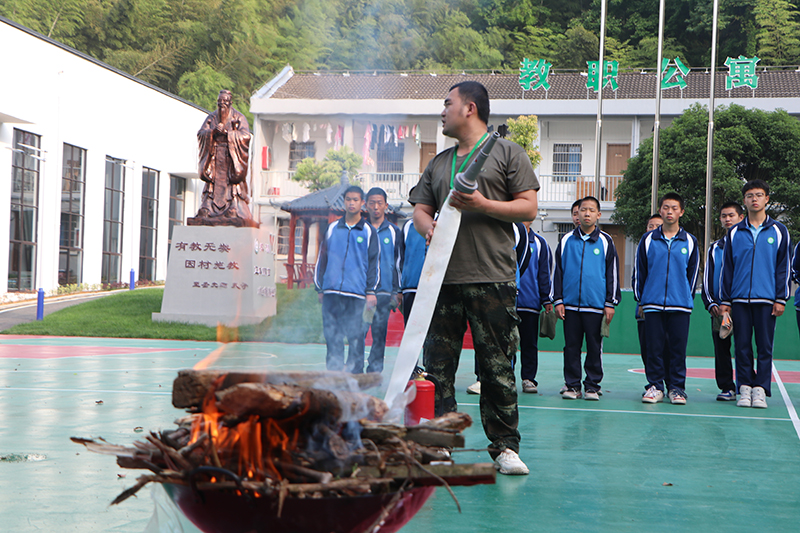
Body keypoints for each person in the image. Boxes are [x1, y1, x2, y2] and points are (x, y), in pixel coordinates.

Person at [409, 80, 538, 475]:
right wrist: (427, 226)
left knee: (497, 366)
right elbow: (420, 209)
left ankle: (505, 448)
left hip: (492, 277)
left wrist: (482, 204)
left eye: (447, 103)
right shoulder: (439, 163)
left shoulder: (508, 153)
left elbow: (528, 208)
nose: (442, 111)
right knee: (438, 367)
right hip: (442, 280)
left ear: (470, 108)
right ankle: (442, 443)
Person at [719, 180, 790, 409]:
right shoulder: (734, 232)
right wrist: (725, 300)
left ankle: (760, 389)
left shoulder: (779, 231)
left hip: (767, 300)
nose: (754, 199)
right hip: (739, 299)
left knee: (764, 347)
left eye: (759, 195)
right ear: (744, 200)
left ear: (767, 199)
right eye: (750, 195)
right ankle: (745, 387)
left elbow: (783, 267)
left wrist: (781, 298)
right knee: (741, 346)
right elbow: (727, 268)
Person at [633, 192, 699, 405]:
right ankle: (655, 386)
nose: (670, 212)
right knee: (654, 349)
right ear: (660, 211)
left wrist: (685, 297)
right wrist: (641, 299)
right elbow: (640, 271)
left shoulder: (690, 241)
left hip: (680, 305)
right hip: (652, 304)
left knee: (677, 350)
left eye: (674, 208)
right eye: (666, 208)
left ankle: (677, 388)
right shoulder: (648, 239)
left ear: (681, 212)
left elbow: (693, 274)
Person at [553, 196, 620, 401]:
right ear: (577, 214)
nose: (587, 214)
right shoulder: (566, 240)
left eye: (591, 210)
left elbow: (612, 273)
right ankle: (572, 385)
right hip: (570, 306)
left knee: (594, 347)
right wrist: (558, 300)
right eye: (583, 210)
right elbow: (558, 272)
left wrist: (610, 303)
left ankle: (592, 385)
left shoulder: (606, 241)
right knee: (571, 347)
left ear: (598, 215)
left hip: (596, 306)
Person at [314, 185, 379, 373]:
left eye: (355, 200)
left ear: (362, 203)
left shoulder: (369, 231)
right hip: (331, 292)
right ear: (344, 202)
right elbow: (322, 259)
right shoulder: (332, 228)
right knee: (332, 336)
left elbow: (374, 264)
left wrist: (370, 291)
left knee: (356, 337)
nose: (351, 203)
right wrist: (320, 287)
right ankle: (334, 376)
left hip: (357, 294)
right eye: (348, 199)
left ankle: (355, 376)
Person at [467, 222, 531, 395]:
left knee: (505, 335)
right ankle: (482, 378)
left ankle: (505, 378)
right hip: (479, 285)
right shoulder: (479, 221)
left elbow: (523, 257)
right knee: (481, 333)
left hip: (505, 288)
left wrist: (510, 279)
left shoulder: (517, 226)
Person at [701, 202, 745, 401]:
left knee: (743, 347)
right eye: (724, 216)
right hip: (720, 309)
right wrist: (711, 303)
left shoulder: (747, 245)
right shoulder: (714, 248)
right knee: (721, 349)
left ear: (741, 218)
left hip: (743, 305)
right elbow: (708, 278)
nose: (727, 219)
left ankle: (745, 386)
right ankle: (727, 387)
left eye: (731, 215)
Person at [195, 90, 255, 224]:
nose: (222, 104)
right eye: (219, 101)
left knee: (232, 186)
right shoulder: (211, 118)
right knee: (212, 185)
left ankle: (234, 206)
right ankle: (208, 206)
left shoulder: (239, 117)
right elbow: (201, 133)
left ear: (230, 103)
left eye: (225, 101)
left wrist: (229, 134)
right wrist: (212, 132)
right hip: (215, 156)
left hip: (231, 158)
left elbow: (246, 135)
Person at [362, 187, 403, 373]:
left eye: (379, 203)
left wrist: (397, 290)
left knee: (379, 335)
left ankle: (374, 372)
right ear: (366, 205)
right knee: (359, 333)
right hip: (363, 294)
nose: (376, 207)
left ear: (386, 206)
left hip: (385, 293)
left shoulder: (394, 232)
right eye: (372, 203)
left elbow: (398, 262)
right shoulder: (361, 230)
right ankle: (355, 370)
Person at [517, 225, 554, 394]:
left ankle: (529, 379)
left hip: (530, 303)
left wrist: (546, 298)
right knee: (505, 344)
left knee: (529, 344)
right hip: (506, 302)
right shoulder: (506, 236)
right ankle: (506, 379)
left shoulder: (540, 243)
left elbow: (544, 272)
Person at [636, 214, 663, 367]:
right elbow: (637, 276)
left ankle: (668, 379)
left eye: (657, 226)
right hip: (646, 306)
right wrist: (641, 301)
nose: (653, 229)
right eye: (650, 226)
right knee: (647, 348)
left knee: (666, 349)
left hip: (668, 308)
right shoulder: (643, 247)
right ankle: (652, 378)